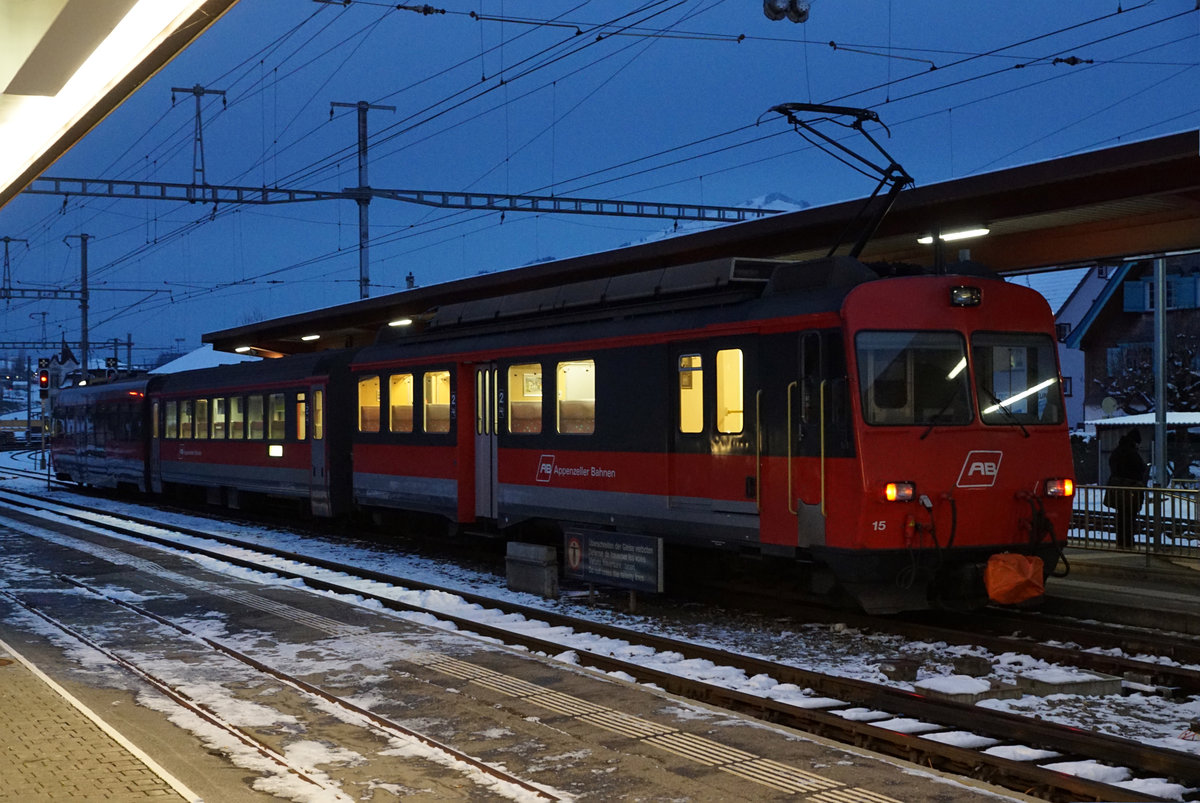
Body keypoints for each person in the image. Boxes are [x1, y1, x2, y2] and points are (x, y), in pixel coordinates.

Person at [1107, 428, 1147, 549]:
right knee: (1130, 517)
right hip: (1131, 488)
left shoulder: (1117, 451)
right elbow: (1140, 468)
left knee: (1121, 516)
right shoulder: (1131, 452)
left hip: (1118, 489)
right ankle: (1128, 541)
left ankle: (1120, 541)